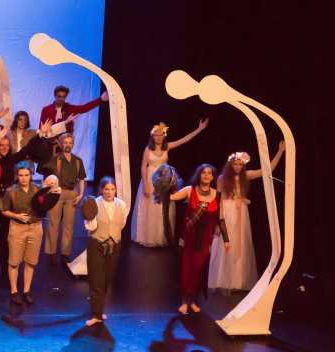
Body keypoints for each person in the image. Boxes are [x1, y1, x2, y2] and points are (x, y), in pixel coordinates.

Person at [208, 142, 285, 293]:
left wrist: (280, 152)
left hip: (241, 213)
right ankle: (223, 280)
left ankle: (237, 281)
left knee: (240, 245)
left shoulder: (246, 175)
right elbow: (219, 200)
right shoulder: (222, 178)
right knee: (226, 244)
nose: (237, 167)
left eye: (240, 164)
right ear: (230, 164)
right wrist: (218, 220)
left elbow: (268, 170)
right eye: (235, 164)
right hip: (227, 211)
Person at [0, 121, 52, 275]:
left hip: (6, 199)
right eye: (1, 145)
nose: (4, 147)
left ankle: (4, 265)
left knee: (6, 234)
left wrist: (40, 135)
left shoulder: (12, 159)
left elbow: (27, 149)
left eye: (7, 145)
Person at [131, 119, 209, 247]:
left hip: (164, 180)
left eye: (161, 135)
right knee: (150, 209)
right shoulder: (148, 149)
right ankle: (147, 236)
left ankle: (160, 236)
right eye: (156, 135)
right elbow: (143, 166)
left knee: (162, 208)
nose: (159, 137)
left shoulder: (167, 147)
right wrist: (145, 185)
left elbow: (184, 140)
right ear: (153, 136)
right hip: (150, 180)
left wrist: (199, 129)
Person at [169, 164, 230, 314]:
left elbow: (220, 219)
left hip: (205, 241)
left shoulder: (217, 195)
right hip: (188, 238)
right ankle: (184, 301)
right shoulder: (189, 190)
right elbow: (170, 197)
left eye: (209, 173)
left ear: (213, 177)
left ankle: (192, 300)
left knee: (198, 270)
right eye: (203, 173)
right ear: (199, 175)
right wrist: (166, 182)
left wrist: (226, 239)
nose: (206, 175)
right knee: (186, 270)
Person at [83, 176, 129, 326]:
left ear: (115, 190)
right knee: (96, 280)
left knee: (106, 280)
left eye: (112, 189)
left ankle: (98, 308)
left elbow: (121, 224)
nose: (109, 192)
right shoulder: (94, 203)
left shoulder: (122, 205)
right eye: (106, 189)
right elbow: (89, 227)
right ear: (101, 190)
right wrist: (93, 221)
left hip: (114, 246)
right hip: (97, 244)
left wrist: (113, 235)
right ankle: (96, 314)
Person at [0, 164, 46, 305]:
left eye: (26, 175)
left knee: (31, 262)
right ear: (17, 176)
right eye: (21, 175)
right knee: (14, 262)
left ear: (31, 175)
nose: (24, 178)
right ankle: (14, 291)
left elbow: (45, 206)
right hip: (17, 228)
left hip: (35, 228)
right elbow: (4, 210)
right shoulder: (11, 191)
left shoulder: (38, 190)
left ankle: (26, 291)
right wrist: (17, 216)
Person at [42, 133, 86, 265]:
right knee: (53, 224)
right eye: (65, 142)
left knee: (69, 226)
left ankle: (65, 253)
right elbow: (46, 176)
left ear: (73, 144)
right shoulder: (55, 159)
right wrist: (48, 191)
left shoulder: (77, 161)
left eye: (70, 142)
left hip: (72, 194)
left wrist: (81, 194)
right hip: (57, 193)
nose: (68, 145)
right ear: (61, 144)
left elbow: (82, 178)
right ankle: (51, 252)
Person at [38, 86, 107, 144]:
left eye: (64, 97)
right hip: (49, 140)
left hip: (65, 142)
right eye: (59, 96)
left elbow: (84, 108)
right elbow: (41, 128)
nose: (61, 99)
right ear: (55, 96)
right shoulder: (46, 109)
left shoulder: (69, 108)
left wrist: (100, 99)